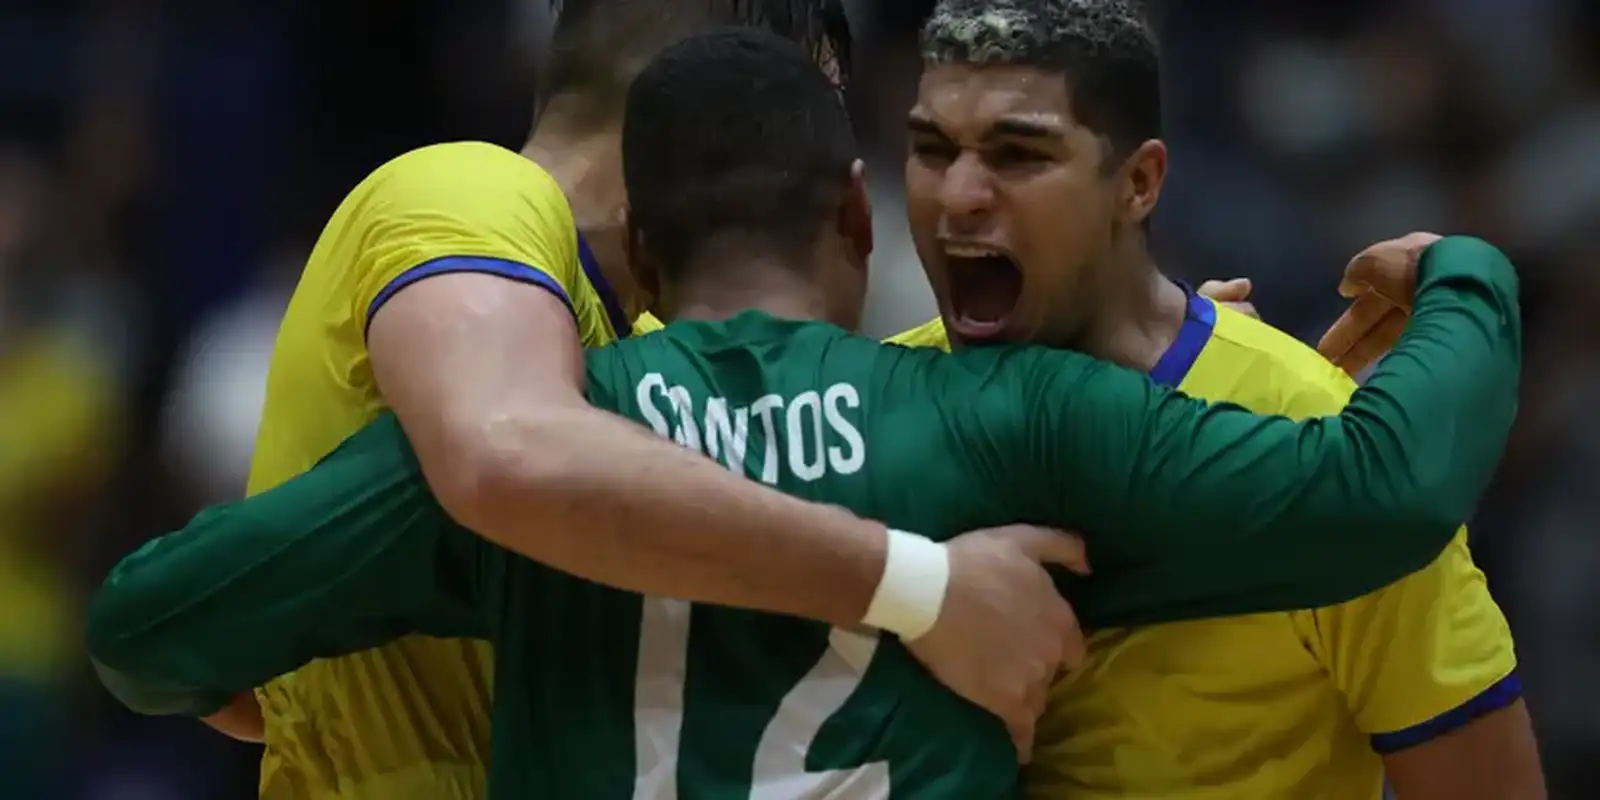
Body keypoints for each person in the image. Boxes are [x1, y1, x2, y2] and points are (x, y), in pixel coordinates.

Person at [89, 27, 1526, 798]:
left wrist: (304, 670)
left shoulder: (554, 464)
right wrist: (1464, 276)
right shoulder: (1001, 418)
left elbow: (148, 629)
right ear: (856, 214)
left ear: (637, 256)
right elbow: (1386, 493)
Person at [222, 0, 1113, 796]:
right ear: (693, 92)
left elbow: (230, 671)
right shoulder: (467, 196)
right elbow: (506, 458)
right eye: (797, 111)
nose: (811, 155)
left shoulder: (639, 350)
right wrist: (914, 586)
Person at [890, 1, 1545, 798]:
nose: (959, 194)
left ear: (1138, 183)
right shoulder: (867, 410)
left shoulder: (1308, 426)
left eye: (1018, 154)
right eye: (931, 149)